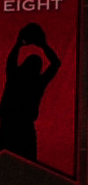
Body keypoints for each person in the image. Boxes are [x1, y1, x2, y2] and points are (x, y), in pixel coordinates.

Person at [0, 25, 61, 161]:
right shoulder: (37, 82)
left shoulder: (15, 77)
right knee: (25, 163)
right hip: (19, 126)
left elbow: (11, 60)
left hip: (11, 125)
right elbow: (55, 63)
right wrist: (43, 46)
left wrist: (18, 44)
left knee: (12, 164)